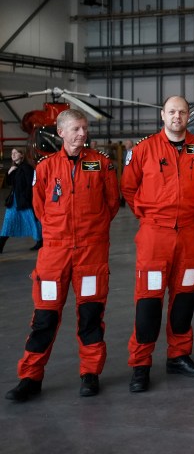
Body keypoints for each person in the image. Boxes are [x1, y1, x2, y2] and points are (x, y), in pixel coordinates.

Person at [5, 109, 120, 402]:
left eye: (84, 129)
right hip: (54, 254)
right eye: (76, 129)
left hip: (91, 254)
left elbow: (110, 206)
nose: (82, 134)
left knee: (90, 316)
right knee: (44, 318)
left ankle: (90, 374)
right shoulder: (44, 169)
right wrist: (61, 235)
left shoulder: (102, 164)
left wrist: (88, 232)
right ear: (61, 133)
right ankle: (30, 377)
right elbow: (40, 208)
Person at [121, 96, 194, 393]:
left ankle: (179, 356)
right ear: (162, 115)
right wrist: (149, 216)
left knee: (185, 298)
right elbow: (129, 188)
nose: (177, 116)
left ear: (188, 115)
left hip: (188, 235)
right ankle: (141, 364)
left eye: (182, 112)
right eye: (172, 111)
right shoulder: (144, 150)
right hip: (154, 237)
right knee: (148, 301)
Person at [0, 148, 42, 253]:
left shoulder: (27, 168)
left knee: (32, 221)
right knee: (8, 221)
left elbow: (30, 185)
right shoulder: (15, 168)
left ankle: (40, 241)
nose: (12, 155)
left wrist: (29, 199)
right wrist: (9, 172)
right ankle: (0, 244)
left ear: (22, 155)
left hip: (24, 200)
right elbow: (10, 183)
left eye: (15, 153)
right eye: (11, 153)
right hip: (14, 201)